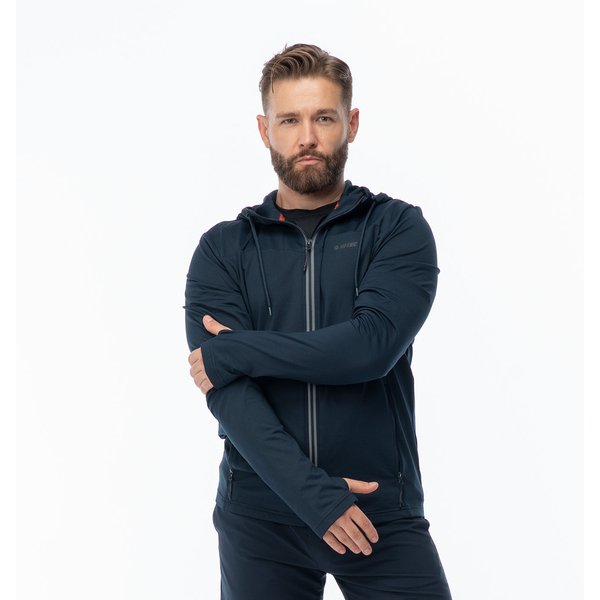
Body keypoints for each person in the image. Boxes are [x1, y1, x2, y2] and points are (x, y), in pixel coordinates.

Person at [183, 43, 452, 600]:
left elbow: (369, 348)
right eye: (290, 120)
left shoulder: (396, 228)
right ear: (265, 131)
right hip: (260, 517)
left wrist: (237, 350)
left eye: (324, 118)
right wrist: (316, 498)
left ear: (351, 124)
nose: (307, 136)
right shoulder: (222, 250)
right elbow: (231, 398)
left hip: (377, 508)